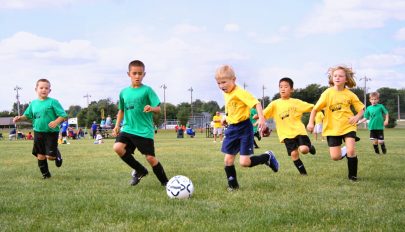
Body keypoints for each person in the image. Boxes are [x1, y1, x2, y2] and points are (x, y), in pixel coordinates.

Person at [215, 64, 279, 191]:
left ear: (233, 80)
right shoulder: (226, 93)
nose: (221, 86)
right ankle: (233, 186)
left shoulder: (240, 92)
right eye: (218, 83)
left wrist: (261, 118)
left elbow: (256, 104)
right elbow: (232, 109)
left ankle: (267, 157)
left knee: (244, 162)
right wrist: (225, 118)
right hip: (232, 129)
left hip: (244, 128)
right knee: (228, 160)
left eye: (224, 82)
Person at [112, 60, 169, 187]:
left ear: (144, 74)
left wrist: (151, 108)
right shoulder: (123, 92)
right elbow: (121, 110)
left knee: (150, 158)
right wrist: (117, 125)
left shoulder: (147, 90)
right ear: (129, 74)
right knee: (117, 147)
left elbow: (159, 109)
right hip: (128, 128)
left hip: (144, 130)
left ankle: (165, 183)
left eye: (140, 73)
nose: (137, 76)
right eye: (134, 73)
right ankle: (140, 170)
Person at [307, 65, 364, 181]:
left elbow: (361, 109)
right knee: (335, 157)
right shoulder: (327, 94)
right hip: (332, 129)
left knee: (351, 151)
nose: (337, 78)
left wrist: (357, 117)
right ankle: (345, 150)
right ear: (332, 78)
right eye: (335, 76)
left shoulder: (350, 94)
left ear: (346, 79)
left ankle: (352, 177)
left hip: (348, 126)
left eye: (340, 76)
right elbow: (315, 109)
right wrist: (310, 123)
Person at [13, 78, 67, 179]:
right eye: (41, 87)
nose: (44, 90)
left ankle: (56, 153)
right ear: (36, 89)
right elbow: (28, 115)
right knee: (40, 155)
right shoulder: (33, 103)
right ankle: (46, 176)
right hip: (38, 132)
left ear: (50, 90)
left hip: (51, 132)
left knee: (50, 157)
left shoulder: (53, 102)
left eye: (46, 88)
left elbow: (63, 116)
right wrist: (20, 118)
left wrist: (56, 122)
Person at [262, 77, 316, 175]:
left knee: (303, 150)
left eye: (286, 87)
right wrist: (258, 116)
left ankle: (310, 147)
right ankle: (304, 174)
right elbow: (264, 114)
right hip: (286, 134)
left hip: (299, 131)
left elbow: (313, 108)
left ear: (291, 89)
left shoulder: (296, 102)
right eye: (281, 87)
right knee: (294, 154)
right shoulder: (274, 104)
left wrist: (311, 121)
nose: (283, 89)